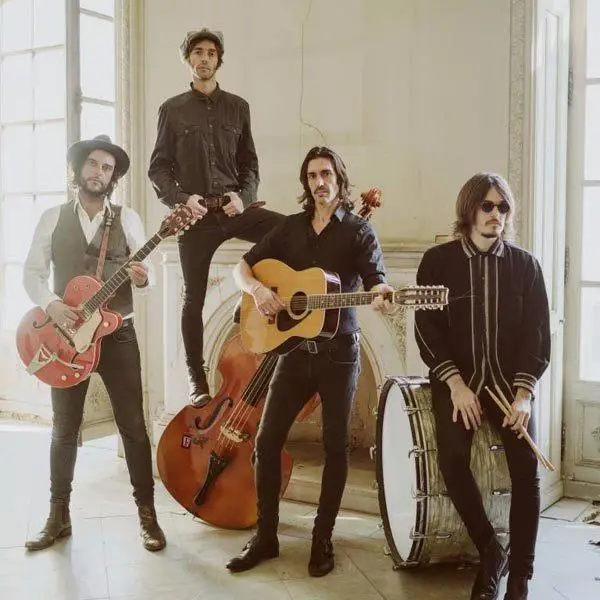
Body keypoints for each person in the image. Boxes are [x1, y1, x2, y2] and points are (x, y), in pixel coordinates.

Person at [227, 146, 394, 577]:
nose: (320, 182)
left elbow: (376, 280)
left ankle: (322, 538)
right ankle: (266, 536)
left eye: (326, 174)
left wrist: (381, 294)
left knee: (335, 447)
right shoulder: (289, 227)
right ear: (306, 182)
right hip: (294, 353)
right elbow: (241, 268)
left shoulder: (359, 231)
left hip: (339, 355)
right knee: (266, 442)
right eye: (312, 176)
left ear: (339, 178)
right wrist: (257, 291)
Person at [23, 135, 166, 552]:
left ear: (113, 177)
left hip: (118, 335)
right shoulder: (52, 217)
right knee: (64, 427)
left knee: (133, 427)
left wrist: (143, 277)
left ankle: (148, 516)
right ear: (78, 169)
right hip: (67, 338)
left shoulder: (128, 218)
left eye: (107, 168)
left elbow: (149, 276)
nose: (99, 172)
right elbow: (31, 274)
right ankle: (58, 516)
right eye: (93, 164)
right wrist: (52, 305)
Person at [414, 173, 551, 600]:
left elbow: (537, 335)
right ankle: (491, 550)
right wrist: (455, 385)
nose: (496, 214)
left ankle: (520, 575)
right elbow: (426, 328)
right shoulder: (437, 262)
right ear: (469, 209)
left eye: (503, 207)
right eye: (487, 206)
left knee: (527, 470)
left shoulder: (525, 266)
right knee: (452, 460)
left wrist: (524, 396)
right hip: (461, 383)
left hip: (511, 388)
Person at [148, 27, 283, 407]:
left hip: (234, 209)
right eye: (197, 52)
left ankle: (255, 300)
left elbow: (249, 164)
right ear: (188, 59)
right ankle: (196, 377)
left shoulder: (238, 107)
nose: (204, 58)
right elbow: (158, 169)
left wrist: (244, 197)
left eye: (210, 52)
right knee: (192, 299)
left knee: (288, 231)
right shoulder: (172, 110)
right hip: (196, 219)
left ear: (218, 60)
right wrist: (181, 199)